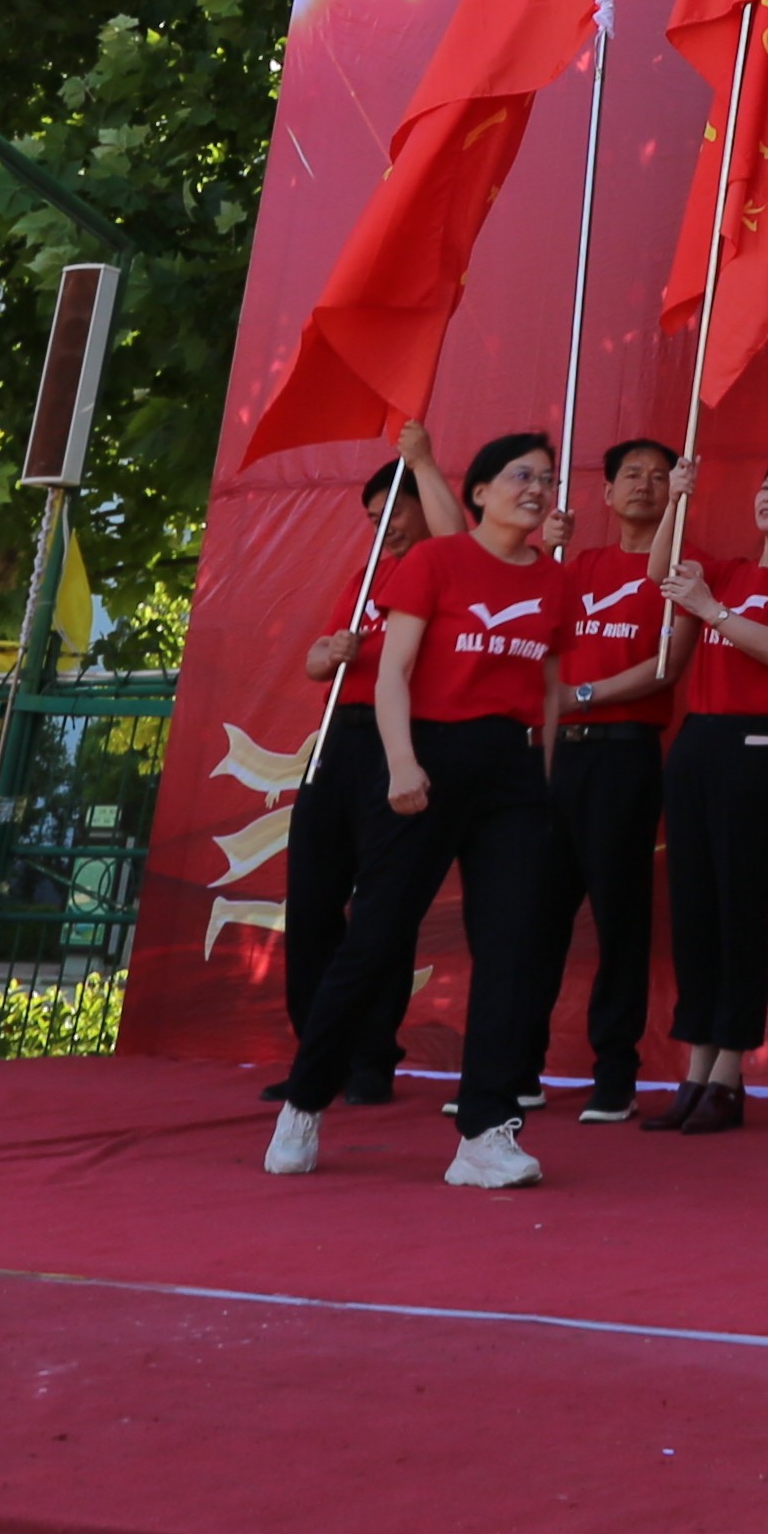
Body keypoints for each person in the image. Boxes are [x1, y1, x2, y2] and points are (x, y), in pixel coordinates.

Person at [268, 423, 573, 1188]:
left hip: (509, 775)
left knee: (511, 948)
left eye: (546, 478)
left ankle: (486, 1133)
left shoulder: (553, 580)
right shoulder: (437, 560)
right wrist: (403, 766)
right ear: (477, 493)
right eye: (520, 478)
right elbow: (395, 673)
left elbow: (548, 690)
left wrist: (544, 776)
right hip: (423, 759)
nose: (536, 490)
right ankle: (305, 1102)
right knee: (375, 939)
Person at [657, 447, 768, 1132]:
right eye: (762, 485)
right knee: (695, 907)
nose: (767, 496)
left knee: (739, 903)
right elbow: (660, 570)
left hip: (756, 746)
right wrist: (677, 498)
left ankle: (730, 1073)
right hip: (698, 742)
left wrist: (709, 609)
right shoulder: (730, 570)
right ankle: (696, 1064)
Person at [274, 445, 459, 1107]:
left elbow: (455, 536)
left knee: (384, 907)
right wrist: (330, 651)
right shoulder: (366, 577)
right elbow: (316, 663)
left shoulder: (449, 572)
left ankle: (372, 1056)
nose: (388, 526)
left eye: (396, 511)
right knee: (313, 898)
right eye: (375, 516)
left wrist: (425, 462)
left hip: (402, 740)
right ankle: (315, 1053)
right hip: (339, 741)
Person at [549, 433, 685, 1128]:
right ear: (604, 492)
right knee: (531, 916)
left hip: (624, 754)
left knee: (619, 917)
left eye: (660, 477)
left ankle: (615, 1073)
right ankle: (510, 1067)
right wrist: (544, 552)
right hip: (555, 758)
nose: (644, 485)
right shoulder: (576, 565)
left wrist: (582, 696)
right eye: (630, 474)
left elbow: (665, 666)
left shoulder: (676, 573)